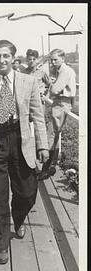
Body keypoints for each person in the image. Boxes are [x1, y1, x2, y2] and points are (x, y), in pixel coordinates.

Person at [0, 40, 49, 264]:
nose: (1, 60)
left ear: (13, 58)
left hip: (21, 140)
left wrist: (42, 145)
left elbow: (38, 117)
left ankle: (19, 216)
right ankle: (0, 243)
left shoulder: (29, 82)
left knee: (26, 192)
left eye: (6, 56)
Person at [37, 49, 76, 181]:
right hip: (60, 103)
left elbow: (54, 89)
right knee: (54, 135)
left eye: (55, 60)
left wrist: (52, 84)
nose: (53, 62)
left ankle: (46, 169)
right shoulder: (63, 70)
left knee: (51, 135)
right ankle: (51, 166)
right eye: (51, 60)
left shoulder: (65, 71)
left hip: (61, 104)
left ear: (63, 59)